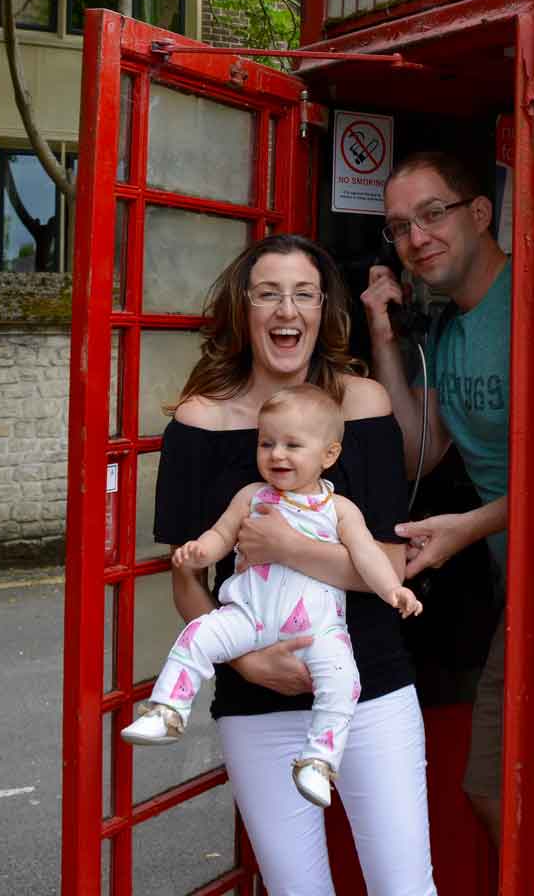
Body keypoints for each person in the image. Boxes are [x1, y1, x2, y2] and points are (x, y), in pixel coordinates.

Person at [153, 234, 438, 896]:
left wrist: (283, 546)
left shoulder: (361, 404)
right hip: (258, 701)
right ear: (244, 309)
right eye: (270, 294)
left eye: (304, 294)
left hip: (371, 689)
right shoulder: (200, 422)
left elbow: (389, 562)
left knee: (404, 888)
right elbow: (186, 575)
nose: (288, 309)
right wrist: (246, 662)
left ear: (323, 309)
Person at [125, 385, 423, 810]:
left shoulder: (339, 508)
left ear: (329, 455)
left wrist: (394, 590)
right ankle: (168, 709)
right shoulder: (250, 496)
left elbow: (369, 558)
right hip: (249, 617)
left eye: (292, 445)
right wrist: (199, 552)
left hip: (318, 630)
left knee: (343, 682)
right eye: (267, 443)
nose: (277, 454)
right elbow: (221, 535)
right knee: (198, 635)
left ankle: (319, 760)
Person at [360, 151, 512, 845]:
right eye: (398, 227)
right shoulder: (449, 330)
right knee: (492, 790)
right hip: (523, 586)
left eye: (432, 214)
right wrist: (386, 335)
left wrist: (467, 529)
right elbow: (420, 447)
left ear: (479, 214)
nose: (415, 238)